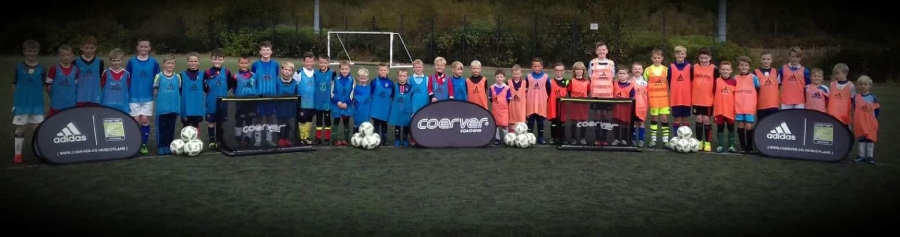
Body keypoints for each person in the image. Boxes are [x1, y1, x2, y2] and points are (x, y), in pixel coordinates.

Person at [12, 40, 46, 164]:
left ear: (38, 51)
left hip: (37, 105)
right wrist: (17, 101)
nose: (32, 53)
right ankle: (18, 154)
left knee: (37, 129)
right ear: (24, 52)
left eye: (34, 51)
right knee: (21, 129)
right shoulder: (18, 68)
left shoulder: (42, 69)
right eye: (29, 51)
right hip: (22, 105)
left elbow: (41, 84)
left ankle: (39, 151)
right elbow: (14, 85)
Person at [125, 38, 160, 155]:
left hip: (148, 96)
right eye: (141, 46)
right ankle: (134, 143)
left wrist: (156, 89)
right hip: (133, 96)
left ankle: (143, 144)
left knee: (144, 119)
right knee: (135, 120)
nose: (143, 49)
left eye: (146, 47)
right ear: (137, 47)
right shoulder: (131, 62)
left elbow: (157, 78)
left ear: (150, 48)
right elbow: (127, 77)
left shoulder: (154, 62)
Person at [203, 48, 233, 149]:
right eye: (215, 59)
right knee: (211, 121)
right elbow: (204, 87)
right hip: (211, 102)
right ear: (211, 59)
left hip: (223, 101)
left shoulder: (227, 72)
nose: (217, 61)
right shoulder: (207, 72)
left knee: (221, 122)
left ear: (223, 60)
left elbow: (229, 84)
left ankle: (220, 140)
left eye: (219, 59)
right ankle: (212, 141)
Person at [252, 40, 280, 147]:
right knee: (258, 119)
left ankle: (269, 138)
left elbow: (276, 77)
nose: (265, 52)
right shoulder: (255, 65)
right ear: (260, 52)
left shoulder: (275, 65)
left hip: (271, 96)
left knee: (270, 118)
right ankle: (257, 140)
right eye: (263, 50)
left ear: (271, 51)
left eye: (267, 50)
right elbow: (253, 79)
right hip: (259, 96)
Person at [153, 54, 181, 155]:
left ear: (174, 65)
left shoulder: (177, 77)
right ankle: (161, 146)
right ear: (164, 64)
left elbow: (178, 90)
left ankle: (169, 146)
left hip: (173, 108)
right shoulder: (159, 76)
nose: (170, 65)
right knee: (161, 129)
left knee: (170, 129)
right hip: (162, 109)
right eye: (168, 63)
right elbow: (155, 91)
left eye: (172, 63)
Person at [589, 42, 615, 146]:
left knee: (605, 116)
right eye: (599, 50)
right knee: (597, 115)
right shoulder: (592, 62)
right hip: (596, 94)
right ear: (596, 52)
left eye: (603, 49)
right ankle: (597, 138)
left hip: (607, 95)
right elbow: (590, 77)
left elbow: (612, 78)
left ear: (607, 51)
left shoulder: (611, 63)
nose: (601, 51)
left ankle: (604, 139)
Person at [692, 48, 717, 151]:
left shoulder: (714, 68)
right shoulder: (694, 67)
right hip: (696, 99)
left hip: (708, 100)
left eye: (706, 58)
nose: (703, 60)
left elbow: (717, 83)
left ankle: (707, 142)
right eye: (701, 58)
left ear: (710, 58)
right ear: (699, 58)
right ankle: (699, 142)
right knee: (698, 119)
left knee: (706, 120)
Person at [644, 48, 670, 148]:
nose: (657, 59)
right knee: (654, 118)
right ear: (651, 58)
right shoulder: (648, 70)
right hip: (653, 99)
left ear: (662, 58)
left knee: (664, 118)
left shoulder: (666, 70)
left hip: (664, 99)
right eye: (655, 58)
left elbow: (670, 84)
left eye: (659, 57)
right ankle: (653, 140)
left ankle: (665, 140)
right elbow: (644, 84)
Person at [734, 56, 760, 154]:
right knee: (740, 125)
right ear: (738, 67)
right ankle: (743, 146)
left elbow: (758, 88)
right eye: (741, 65)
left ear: (749, 67)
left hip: (749, 106)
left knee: (748, 126)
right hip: (738, 106)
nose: (743, 67)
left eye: (746, 65)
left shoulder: (753, 78)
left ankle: (750, 146)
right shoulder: (735, 78)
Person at [46, 44, 79, 117]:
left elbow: (77, 86)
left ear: (72, 55)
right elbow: (48, 86)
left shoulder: (75, 70)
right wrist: (53, 97)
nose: (66, 57)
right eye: (63, 55)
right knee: (54, 123)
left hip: (71, 103)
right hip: (56, 104)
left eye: (68, 55)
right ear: (59, 56)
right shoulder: (54, 69)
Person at [852, 75, 879, 164]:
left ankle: (870, 157)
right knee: (862, 138)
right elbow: (856, 108)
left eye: (865, 84)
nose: (863, 86)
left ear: (870, 85)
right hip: (860, 122)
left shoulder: (873, 97)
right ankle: (861, 156)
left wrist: (873, 119)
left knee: (870, 138)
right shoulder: (856, 97)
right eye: (861, 84)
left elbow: (877, 109)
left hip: (870, 122)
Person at [232, 55, 257, 147]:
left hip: (251, 102)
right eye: (242, 63)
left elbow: (256, 86)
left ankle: (248, 139)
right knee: (239, 120)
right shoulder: (236, 76)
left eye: (245, 63)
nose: (243, 65)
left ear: (249, 63)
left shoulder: (254, 75)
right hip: (240, 102)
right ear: (238, 63)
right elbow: (233, 88)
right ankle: (238, 138)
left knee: (249, 120)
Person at [526, 58, 551, 144]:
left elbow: (549, 90)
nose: (536, 68)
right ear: (531, 67)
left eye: (538, 66)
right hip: (531, 103)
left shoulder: (546, 77)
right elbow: (525, 89)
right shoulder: (528, 77)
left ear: (542, 67)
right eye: (534, 66)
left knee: (540, 122)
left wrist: (545, 99)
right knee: (530, 121)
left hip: (541, 104)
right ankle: (529, 137)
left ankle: (540, 137)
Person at [713, 61, 737, 153]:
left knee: (731, 127)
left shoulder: (734, 82)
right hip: (719, 109)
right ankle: (720, 145)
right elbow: (714, 92)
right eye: (723, 69)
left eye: (727, 69)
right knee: (720, 127)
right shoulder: (717, 81)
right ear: (720, 70)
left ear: (731, 70)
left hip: (730, 110)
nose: (725, 71)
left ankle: (731, 146)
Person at [669, 46, 692, 138]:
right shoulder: (671, 67)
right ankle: (676, 137)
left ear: (685, 55)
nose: (680, 55)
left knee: (685, 119)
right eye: (678, 54)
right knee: (677, 119)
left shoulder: (690, 67)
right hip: (675, 99)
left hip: (686, 98)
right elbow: (669, 80)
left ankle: (686, 137)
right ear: (675, 55)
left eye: (682, 54)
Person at [294, 52, 317, 145]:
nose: (309, 63)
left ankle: (306, 137)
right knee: (302, 120)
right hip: (302, 102)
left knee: (309, 120)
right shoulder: (299, 72)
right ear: (303, 62)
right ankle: (301, 138)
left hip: (312, 102)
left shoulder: (316, 74)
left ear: (314, 62)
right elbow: (294, 85)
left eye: (311, 61)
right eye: (307, 61)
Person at [180, 53, 206, 133]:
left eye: (195, 61)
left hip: (197, 107)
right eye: (191, 61)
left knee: (196, 125)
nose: (193, 63)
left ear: (198, 62)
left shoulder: (203, 75)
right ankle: (185, 143)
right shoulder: (182, 75)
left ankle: (195, 144)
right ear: (187, 62)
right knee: (186, 126)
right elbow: (179, 91)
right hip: (186, 107)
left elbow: (207, 89)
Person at [369, 62, 394, 145]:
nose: (383, 71)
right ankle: (376, 140)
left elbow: (393, 95)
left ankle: (384, 139)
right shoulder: (374, 82)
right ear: (378, 71)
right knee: (376, 125)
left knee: (384, 124)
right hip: (376, 107)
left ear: (388, 71)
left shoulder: (390, 83)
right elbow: (370, 94)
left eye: (384, 70)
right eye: (381, 70)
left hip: (385, 108)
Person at [330, 60, 354, 146]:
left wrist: (347, 103)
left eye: (346, 69)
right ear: (339, 69)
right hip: (337, 104)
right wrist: (337, 101)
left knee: (346, 122)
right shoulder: (336, 79)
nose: (344, 71)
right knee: (336, 121)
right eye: (342, 69)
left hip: (347, 105)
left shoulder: (352, 80)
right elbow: (332, 92)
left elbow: (352, 92)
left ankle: (346, 139)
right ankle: (334, 140)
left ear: (349, 69)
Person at [100, 48, 131, 115]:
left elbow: (128, 87)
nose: (116, 62)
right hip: (108, 102)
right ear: (110, 61)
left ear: (122, 60)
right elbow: (102, 86)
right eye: (114, 61)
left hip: (121, 102)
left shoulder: (126, 73)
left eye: (118, 60)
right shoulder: (106, 72)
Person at [314, 55, 336, 145]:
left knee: (327, 120)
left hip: (327, 102)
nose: (323, 64)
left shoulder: (332, 73)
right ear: (318, 63)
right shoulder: (315, 73)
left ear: (328, 63)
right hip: (318, 101)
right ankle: (318, 138)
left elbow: (334, 87)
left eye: (325, 63)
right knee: (318, 120)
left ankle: (327, 138)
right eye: (321, 62)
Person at [75, 35, 103, 107]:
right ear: (81, 47)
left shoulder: (100, 62)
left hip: (95, 97)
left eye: (91, 48)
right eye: (86, 48)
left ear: (95, 47)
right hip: (80, 97)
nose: (89, 50)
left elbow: (100, 80)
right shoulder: (76, 62)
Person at [567, 62, 591, 145]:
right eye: (577, 69)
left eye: (580, 69)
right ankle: (573, 138)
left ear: (583, 71)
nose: (579, 71)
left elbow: (588, 92)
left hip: (583, 105)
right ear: (574, 71)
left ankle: (582, 138)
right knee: (574, 122)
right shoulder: (571, 81)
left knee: (583, 122)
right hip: (574, 105)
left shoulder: (587, 82)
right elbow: (569, 92)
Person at [276, 61, 299, 146]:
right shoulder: (277, 81)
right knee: (279, 123)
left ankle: (285, 138)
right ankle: (280, 138)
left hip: (289, 108)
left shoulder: (294, 83)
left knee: (287, 123)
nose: (287, 71)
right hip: (279, 107)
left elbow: (297, 95)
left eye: (289, 70)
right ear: (281, 70)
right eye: (285, 69)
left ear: (292, 72)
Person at [408, 59, 429, 146]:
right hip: (414, 104)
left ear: (423, 68)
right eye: (416, 67)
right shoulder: (410, 79)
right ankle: (412, 137)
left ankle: (423, 137)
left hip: (424, 103)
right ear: (413, 68)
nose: (418, 69)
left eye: (420, 67)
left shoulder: (427, 79)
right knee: (413, 120)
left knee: (424, 120)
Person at [389, 69, 413, 147]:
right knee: (397, 125)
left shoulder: (410, 87)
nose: (402, 78)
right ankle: (397, 139)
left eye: (404, 76)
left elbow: (411, 98)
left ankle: (405, 139)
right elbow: (392, 96)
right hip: (397, 109)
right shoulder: (394, 86)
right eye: (400, 76)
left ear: (407, 77)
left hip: (407, 110)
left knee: (406, 125)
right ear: (397, 77)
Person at [612, 66, 635, 146]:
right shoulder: (614, 84)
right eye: (620, 73)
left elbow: (633, 98)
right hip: (616, 108)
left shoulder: (631, 86)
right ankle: (616, 139)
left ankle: (624, 139)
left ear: (628, 75)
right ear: (617, 74)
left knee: (625, 123)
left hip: (625, 109)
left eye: (624, 73)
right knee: (616, 123)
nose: (622, 75)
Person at [755, 51, 779, 127]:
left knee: (773, 126)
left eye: (768, 59)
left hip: (773, 104)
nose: (766, 61)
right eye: (764, 59)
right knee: (761, 125)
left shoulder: (776, 72)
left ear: (771, 60)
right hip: (761, 105)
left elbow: (780, 86)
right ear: (760, 60)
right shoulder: (755, 73)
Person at [547, 62, 569, 145]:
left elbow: (569, 94)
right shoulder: (550, 82)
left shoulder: (567, 82)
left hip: (563, 106)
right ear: (554, 71)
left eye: (561, 70)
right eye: (557, 70)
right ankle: (553, 137)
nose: (559, 72)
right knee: (554, 122)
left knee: (562, 122)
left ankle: (562, 138)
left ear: (564, 71)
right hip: (553, 105)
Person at [490, 70, 512, 145]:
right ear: (495, 77)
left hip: (504, 109)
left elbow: (509, 99)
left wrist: (504, 105)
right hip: (495, 108)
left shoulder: (507, 88)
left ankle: (506, 138)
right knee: (495, 124)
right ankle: (497, 138)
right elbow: (490, 98)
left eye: (501, 77)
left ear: (504, 78)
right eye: (498, 77)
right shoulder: (492, 87)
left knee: (504, 125)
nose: (499, 79)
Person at [631, 62, 648, 147]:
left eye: (639, 69)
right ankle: (633, 140)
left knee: (641, 122)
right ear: (632, 70)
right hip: (633, 106)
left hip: (642, 106)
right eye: (635, 69)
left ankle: (641, 140)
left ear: (642, 70)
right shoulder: (630, 81)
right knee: (634, 122)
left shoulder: (645, 81)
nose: (637, 70)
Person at [352, 68, 374, 135]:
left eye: (364, 78)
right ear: (358, 78)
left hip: (366, 110)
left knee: (365, 125)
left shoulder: (369, 88)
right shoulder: (356, 88)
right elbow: (353, 99)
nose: (363, 80)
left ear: (367, 78)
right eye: (361, 78)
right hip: (358, 110)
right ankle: (355, 136)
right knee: (357, 123)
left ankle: (365, 137)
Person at [508, 64, 527, 134]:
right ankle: (511, 137)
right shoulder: (508, 82)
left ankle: (521, 137)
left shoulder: (525, 83)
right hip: (512, 108)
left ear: (521, 74)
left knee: (521, 126)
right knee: (512, 124)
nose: (516, 76)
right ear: (512, 74)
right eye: (514, 74)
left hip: (521, 109)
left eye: (518, 74)